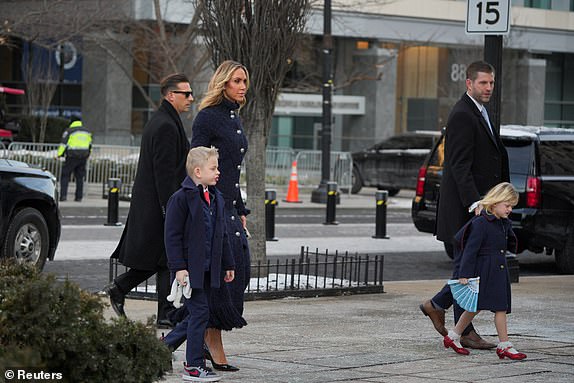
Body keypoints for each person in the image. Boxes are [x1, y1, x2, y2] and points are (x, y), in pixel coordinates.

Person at [419, 61, 510, 349]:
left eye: (492, 83)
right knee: (469, 271)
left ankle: (442, 309)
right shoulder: (462, 114)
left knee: (470, 270)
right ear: (468, 83)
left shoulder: (479, 112)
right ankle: (456, 323)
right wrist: (477, 204)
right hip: (465, 209)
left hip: (480, 206)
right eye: (483, 83)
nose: (488, 88)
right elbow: (458, 165)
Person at [104, 73, 194, 328]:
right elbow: (164, 173)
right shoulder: (165, 124)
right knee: (166, 258)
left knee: (159, 259)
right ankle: (164, 313)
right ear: (170, 95)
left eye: (190, 93)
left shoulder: (166, 120)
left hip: (157, 206)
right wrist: (171, 209)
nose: (191, 98)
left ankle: (121, 288)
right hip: (160, 207)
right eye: (186, 94)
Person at [190, 60, 250, 371]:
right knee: (223, 268)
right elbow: (198, 166)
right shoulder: (207, 118)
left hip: (229, 204)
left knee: (238, 267)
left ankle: (201, 336)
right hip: (212, 203)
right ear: (223, 83)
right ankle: (209, 339)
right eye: (237, 81)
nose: (242, 86)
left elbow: (232, 174)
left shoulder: (234, 118)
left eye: (244, 81)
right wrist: (205, 205)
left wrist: (240, 210)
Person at [163, 146, 235, 382]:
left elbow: (221, 235)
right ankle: (193, 366)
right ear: (197, 171)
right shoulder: (181, 198)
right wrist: (179, 268)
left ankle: (162, 348)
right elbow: (171, 236)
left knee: (197, 313)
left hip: (208, 269)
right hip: (190, 269)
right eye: (213, 168)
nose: (218, 172)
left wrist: (227, 264)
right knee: (200, 312)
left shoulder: (215, 198)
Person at [443, 182, 526, 360]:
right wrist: (464, 273)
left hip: (499, 270)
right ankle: (504, 345)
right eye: (508, 205)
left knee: (494, 307)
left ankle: (453, 336)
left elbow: (507, 243)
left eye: (512, 206)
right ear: (495, 202)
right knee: (483, 306)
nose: (510, 209)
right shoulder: (481, 223)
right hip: (485, 270)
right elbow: (470, 250)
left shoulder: (503, 222)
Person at [57, 118, 92, 202]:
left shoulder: (69, 131)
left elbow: (63, 144)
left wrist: (59, 154)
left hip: (71, 156)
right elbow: (90, 145)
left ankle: (63, 196)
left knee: (65, 176)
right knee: (80, 178)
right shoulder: (87, 131)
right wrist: (88, 154)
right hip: (83, 157)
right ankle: (79, 197)